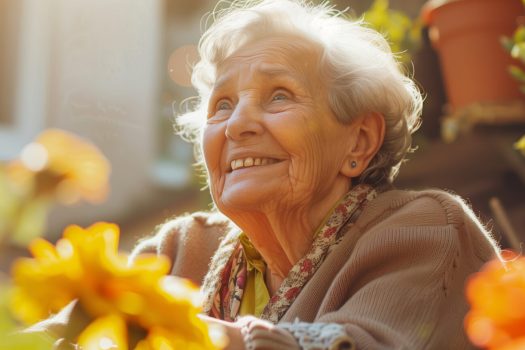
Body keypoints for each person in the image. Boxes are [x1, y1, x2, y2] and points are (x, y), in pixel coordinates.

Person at [41, 0, 501, 349]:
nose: (238, 123)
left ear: (359, 142)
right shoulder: (182, 250)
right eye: (223, 104)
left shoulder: (424, 231)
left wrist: (157, 324)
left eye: (279, 95)